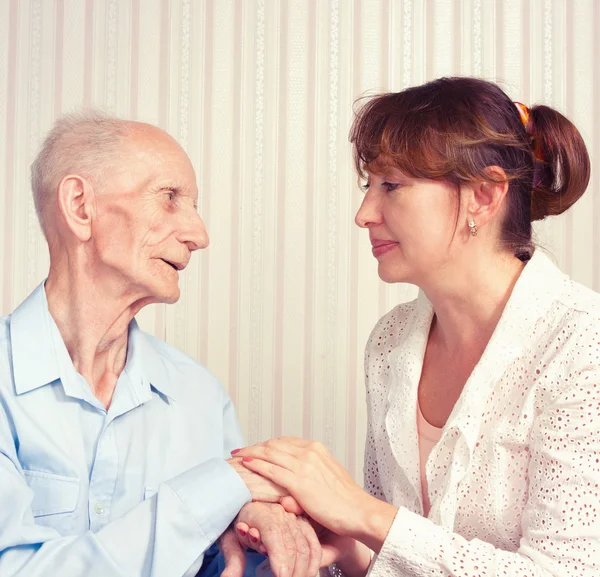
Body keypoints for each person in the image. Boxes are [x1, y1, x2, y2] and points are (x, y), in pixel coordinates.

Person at [230, 77, 600, 576]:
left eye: (391, 186)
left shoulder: (581, 344)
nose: (364, 214)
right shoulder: (390, 342)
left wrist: (361, 512)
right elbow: (402, 558)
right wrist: (341, 542)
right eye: (369, 186)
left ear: (484, 196)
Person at [0, 112, 321, 577]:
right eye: (169, 198)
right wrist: (220, 489)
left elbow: (227, 563)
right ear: (80, 206)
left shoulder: (200, 396)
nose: (199, 235)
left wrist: (256, 533)